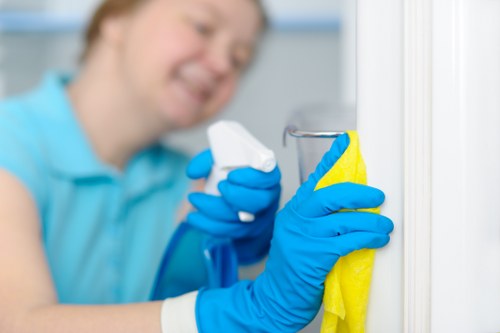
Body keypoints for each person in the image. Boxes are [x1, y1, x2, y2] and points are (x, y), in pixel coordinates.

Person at [0, 0, 394, 332]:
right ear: (116, 18)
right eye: (203, 27)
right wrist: (247, 309)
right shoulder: (11, 143)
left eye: (240, 59)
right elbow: (19, 322)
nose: (223, 64)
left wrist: (251, 255)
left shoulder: (189, 188)